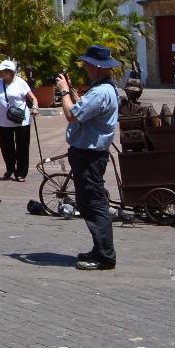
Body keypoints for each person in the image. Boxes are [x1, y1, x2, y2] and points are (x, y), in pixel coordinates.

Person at [56, 45, 122, 271]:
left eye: (86, 64)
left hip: (89, 154)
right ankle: (99, 249)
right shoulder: (104, 88)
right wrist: (74, 93)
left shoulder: (101, 92)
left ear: (96, 67)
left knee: (94, 203)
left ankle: (105, 255)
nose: (84, 68)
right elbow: (83, 109)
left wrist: (64, 92)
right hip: (90, 152)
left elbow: (71, 115)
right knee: (87, 201)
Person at [0, 60, 37, 180]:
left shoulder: (20, 82)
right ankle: (10, 169)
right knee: (6, 147)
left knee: (22, 147)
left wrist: (35, 107)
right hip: (3, 120)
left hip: (21, 119)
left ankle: (21, 173)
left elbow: (33, 98)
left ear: (10, 72)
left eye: (2, 71)